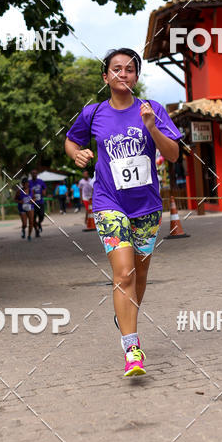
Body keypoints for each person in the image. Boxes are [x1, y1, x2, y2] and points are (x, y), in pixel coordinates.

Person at [65, 47, 181, 378]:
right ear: (106, 77)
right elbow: (71, 141)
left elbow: (172, 155)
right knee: (124, 274)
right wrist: (77, 153)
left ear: (137, 76)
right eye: (116, 69)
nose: (122, 74)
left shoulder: (153, 109)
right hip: (108, 203)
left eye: (129, 69)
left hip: (146, 207)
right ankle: (132, 348)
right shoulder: (93, 113)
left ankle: (125, 315)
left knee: (140, 275)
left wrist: (152, 128)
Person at [29, 170, 47, 237]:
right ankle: (37, 231)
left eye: (35, 173)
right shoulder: (29, 182)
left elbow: (44, 188)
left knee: (41, 216)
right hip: (32, 204)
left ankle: (39, 223)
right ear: (31, 174)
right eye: (33, 173)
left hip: (40, 202)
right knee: (33, 218)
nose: (34, 174)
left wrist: (44, 192)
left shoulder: (40, 181)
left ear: (37, 174)